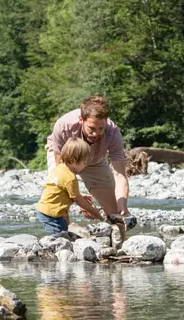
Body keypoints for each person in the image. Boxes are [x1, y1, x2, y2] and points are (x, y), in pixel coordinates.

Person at [46, 96, 132, 225]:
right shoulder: (63, 126)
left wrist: (123, 204)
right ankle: (63, 238)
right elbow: (61, 170)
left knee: (114, 210)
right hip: (66, 159)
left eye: (100, 128)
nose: (96, 133)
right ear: (81, 120)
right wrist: (80, 199)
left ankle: (119, 243)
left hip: (95, 160)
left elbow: (120, 175)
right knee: (59, 200)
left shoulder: (113, 133)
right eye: (91, 128)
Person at [36, 138, 104, 234]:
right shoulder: (70, 178)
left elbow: (61, 189)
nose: (85, 166)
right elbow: (77, 199)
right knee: (60, 238)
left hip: (45, 210)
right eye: (84, 163)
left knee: (65, 232)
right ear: (73, 160)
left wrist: (80, 194)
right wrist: (94, 211)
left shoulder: (60, 168)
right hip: (51, 215)